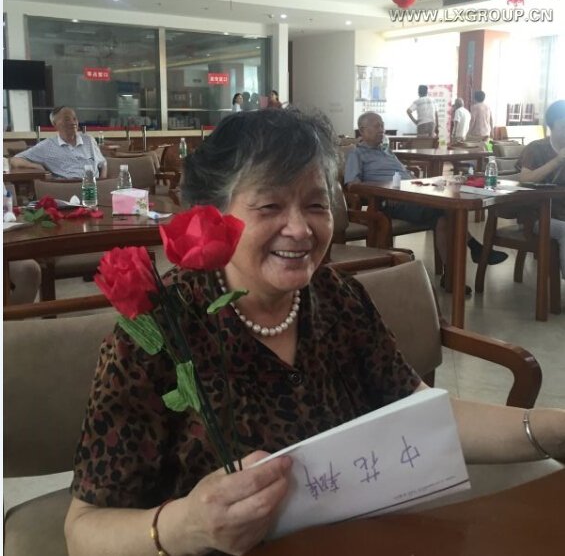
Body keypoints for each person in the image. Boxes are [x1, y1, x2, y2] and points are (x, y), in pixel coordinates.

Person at [64, 108, 564, 556]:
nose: (301, 229)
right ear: (212, 215)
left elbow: (423, 414)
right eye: (269, 207)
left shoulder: (337, 298)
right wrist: (187, 526)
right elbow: (83, 530)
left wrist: (548, 427)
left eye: (316, 205)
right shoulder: (158, 331)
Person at [344, 112, 507, 290]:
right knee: (445, 209)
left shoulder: (387, 151)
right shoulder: (357, 154)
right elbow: (352, 185)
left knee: (443, 219)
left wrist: (416, 181)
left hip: (411, 193)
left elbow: (404, 173)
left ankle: (451, 276)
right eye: (377, 126)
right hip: (389, 201)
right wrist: (382, 193)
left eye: (382, 125)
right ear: (362, 130)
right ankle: (476, 249)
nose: (381, 129)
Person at [516, 99, 565, 279]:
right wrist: (557, 161)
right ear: (551, 126)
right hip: (538, 215)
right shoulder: (536, 148)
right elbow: (525, 179)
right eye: (563, 127)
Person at [10, 106, 107, 179]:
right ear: (55, 124)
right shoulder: (47, 146)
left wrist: (103, 182)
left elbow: (103, 163)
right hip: (66, 188)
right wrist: (36, 166)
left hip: (93, 187)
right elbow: (15, 160)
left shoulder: (88, 140)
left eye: (74, 119)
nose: (73, 123)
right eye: (67, 119)